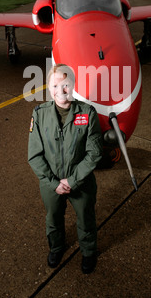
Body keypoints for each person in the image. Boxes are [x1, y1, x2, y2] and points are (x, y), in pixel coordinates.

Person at [28, 64, 103, 274]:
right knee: (53, 219)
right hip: (50, 183)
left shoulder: (88, 113)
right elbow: (34, 155)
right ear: (49, 87)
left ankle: (88, 252)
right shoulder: (39, 114)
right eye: (55, 85)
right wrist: (54, 183)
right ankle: (56, 247)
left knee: (86, 218)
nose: (60, 90)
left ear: (73, 85)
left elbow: (94, 153)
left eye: (66, 84)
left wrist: (72, 181)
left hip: (81, 181)